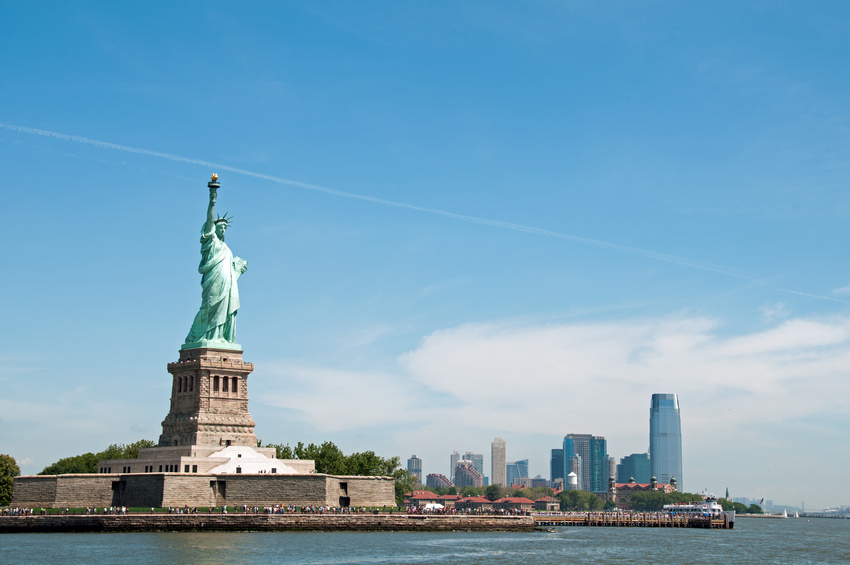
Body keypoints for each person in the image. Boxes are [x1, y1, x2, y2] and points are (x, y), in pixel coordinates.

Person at [184, 175, 248, 347]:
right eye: (221, 226)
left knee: (224, 309)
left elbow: (230, 274)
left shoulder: (227, 249)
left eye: (226, 227)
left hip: (226, 284)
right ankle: (198, 336)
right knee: (209, 307)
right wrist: (212, 199)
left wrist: (238, 270)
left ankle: (219, 337)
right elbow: (209, 220)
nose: (224, 229)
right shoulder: (211, 241)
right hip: (213, 281)